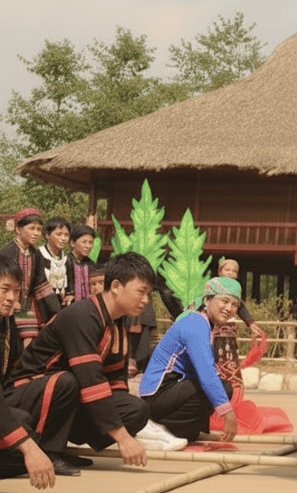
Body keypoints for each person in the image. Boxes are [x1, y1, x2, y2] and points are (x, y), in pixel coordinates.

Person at [4, 252, 186, 469]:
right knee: (67, 381)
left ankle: (62, 445)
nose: (146, 300)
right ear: (117, 286)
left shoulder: (118, 323)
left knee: (135, 410)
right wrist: (122, 437)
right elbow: (90, 378)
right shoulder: (82, 315)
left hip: (71, 395)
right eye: (142, 292)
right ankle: (48, 449)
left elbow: (116, 380)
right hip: (27, 392)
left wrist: (119, 426)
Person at [140, 277, 240, 444]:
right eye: (225, 301)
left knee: (221, 387)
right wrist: (228, 414)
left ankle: (184, 431)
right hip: (157, 395)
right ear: (207, 300)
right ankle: (160, 425)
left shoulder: (204, 323)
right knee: (219, 386)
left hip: (170, 392)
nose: (229, 308)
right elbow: (207, 374)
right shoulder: (195, 323)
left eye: (235, 304)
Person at [0, 256, 59, 487]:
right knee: (26, 447)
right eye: (5, 289)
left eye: (16, 291)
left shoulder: (6, 323)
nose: (12, 298)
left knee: (23, 423)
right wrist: (29, 449)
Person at [0, 208, 60, 340]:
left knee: (30, 342)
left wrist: (58, 311)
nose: (36, 233)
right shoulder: (6, 252)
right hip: (7, 305)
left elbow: (41, 284)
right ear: (18, 229)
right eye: (32, 228)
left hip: (26, 307)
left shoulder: (35, 254)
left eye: (39, 229)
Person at [209, 259, 265, 392]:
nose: (230, 273)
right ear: (220, 271)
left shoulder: (235, 290)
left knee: (230, 356)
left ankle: (232, 387)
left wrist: (250, 323)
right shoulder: (212, 286)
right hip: (213, 329)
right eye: (227, 270)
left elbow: (241, 308)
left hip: (229, 332)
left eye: (234, 271)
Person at [38, 218, 71, 303]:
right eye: (59, 234)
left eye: (66, 235)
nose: (63, 238)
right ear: (47, 235)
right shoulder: (38, 256)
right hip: (42, 303)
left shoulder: (67, 258)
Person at [64, 225, 98, 306]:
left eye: (90, 242)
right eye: (84, 242)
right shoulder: (64, 263)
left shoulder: (92, 265)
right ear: (72, 243)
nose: (88, 246)